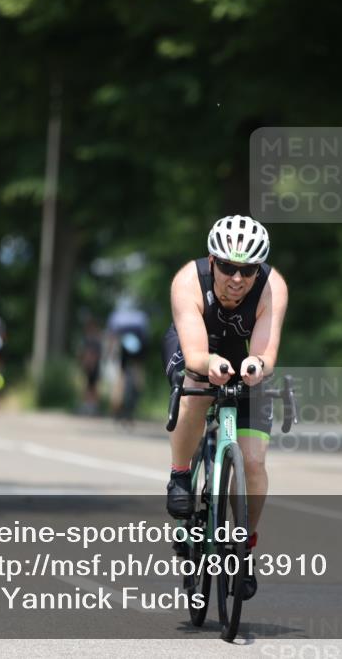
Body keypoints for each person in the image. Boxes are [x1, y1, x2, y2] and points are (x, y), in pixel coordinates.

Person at [161, 214, 288, 600]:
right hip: (195, 348)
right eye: (229, 267)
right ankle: (181, 474)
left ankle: (244, 547)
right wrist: (208, 362)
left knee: (253, 463)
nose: (237, 278)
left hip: (245, 360)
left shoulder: (272, 287)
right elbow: (197, 352)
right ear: (212, 261)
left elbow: (266, 352)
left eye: (247, 270)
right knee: (197, 383)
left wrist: (256, 366)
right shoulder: (188, 280)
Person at [107, 296, 150, 422]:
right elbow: (145, 337)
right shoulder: (140, 316)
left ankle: (117, 405)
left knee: (121, 376)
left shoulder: (117, 316)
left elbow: (112, 336)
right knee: (138, 371)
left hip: (124, 346)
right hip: (139, 347)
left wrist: (110, 354)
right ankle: (138, 393)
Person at [78, 315, 103, 415]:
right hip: (88, 366)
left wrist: (91, 362)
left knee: (94, 386)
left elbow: (97, 354)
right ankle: (87, 405)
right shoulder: (87, 339)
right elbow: (82, 353)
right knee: (87, 386)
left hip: (94, 366)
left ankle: (93, 406)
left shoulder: (96, 340)